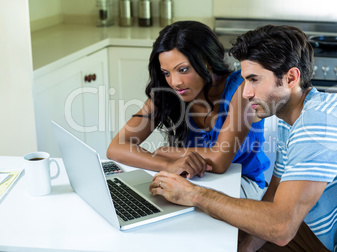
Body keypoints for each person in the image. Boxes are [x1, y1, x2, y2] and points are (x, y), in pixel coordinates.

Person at [149, 24, 337, 251]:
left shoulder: (319, 124)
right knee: (228, 235)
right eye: (245, 80)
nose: (246, 93)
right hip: (325, 235)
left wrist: (194, 194)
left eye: (254, 80)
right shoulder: (290, 120)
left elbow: (280, 228)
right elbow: (273, 197)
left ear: (291, 78)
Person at [107, 21, 270, 200]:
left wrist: (165, 151)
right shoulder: (168, 91)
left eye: (183, 70)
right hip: (195, 179)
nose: (175, 82)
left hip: (243, 184)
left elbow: (219, 160)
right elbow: (116, 147)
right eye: (166, 73)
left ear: (205, 62)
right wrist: (167, 165)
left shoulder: (241, 88)